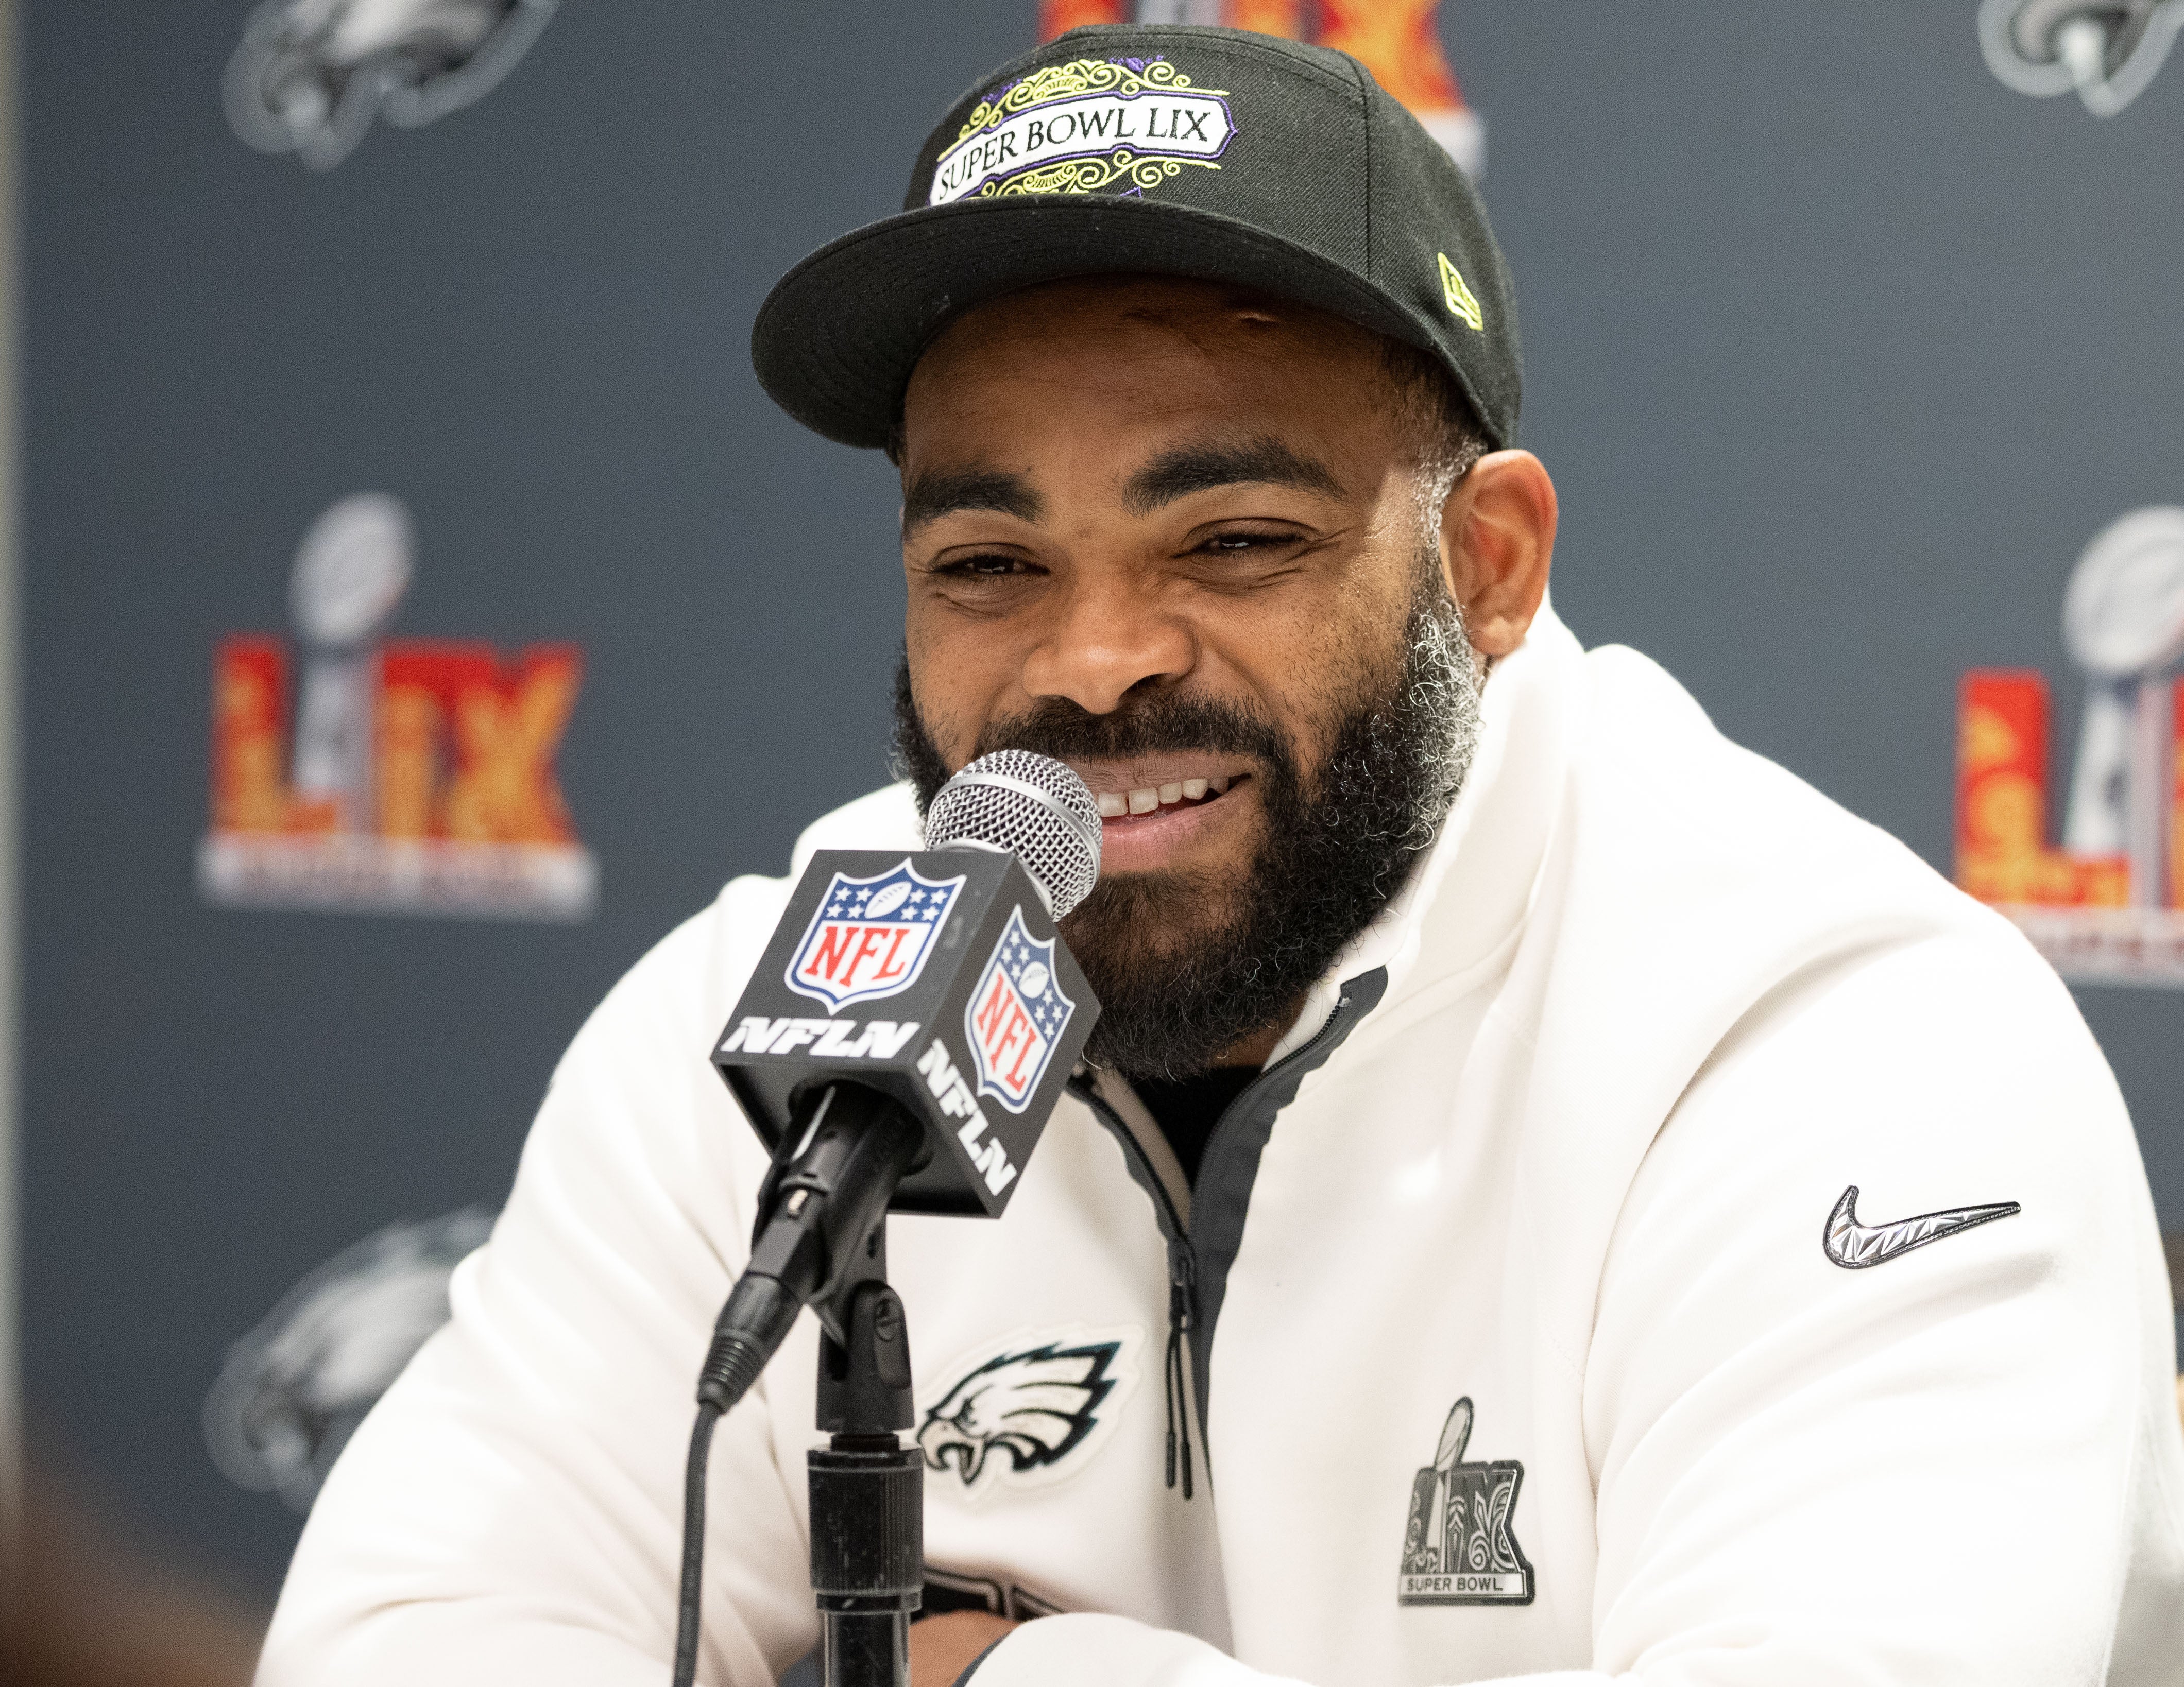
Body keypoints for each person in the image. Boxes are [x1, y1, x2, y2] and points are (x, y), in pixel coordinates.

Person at [256, 23, 2184, 1687]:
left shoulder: (1834, 1040)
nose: (1097, 660)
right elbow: (410, 1630)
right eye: (990, 565)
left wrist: (1014, 1672)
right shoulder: (774, 1027)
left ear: (1487, 565)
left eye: (1235, 539)